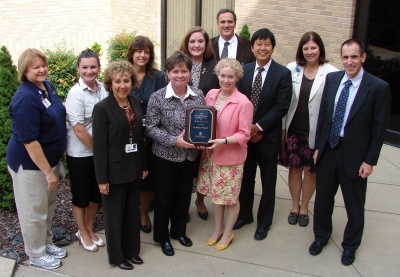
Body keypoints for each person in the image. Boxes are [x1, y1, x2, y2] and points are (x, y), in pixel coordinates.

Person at [309, 39, 391, 266]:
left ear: (363, 57)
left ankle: (350, 246)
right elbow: (325, 116)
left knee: (354, 205)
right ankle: (321, 237)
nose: (349, 61)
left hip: (356, 156)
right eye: (345, 57)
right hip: (329, 150)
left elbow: (379, 128)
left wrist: (370, 160)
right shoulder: (332, 79)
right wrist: (318, 147)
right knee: (323, 200)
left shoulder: (377, 88)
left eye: (354, 57)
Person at [6, 48, 67, 270]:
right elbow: (30, 142)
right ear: (25, 70)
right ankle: (35, 253)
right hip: (31, 165)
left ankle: (46, 242)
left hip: (49, 160)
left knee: (48, 205)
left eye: (43, 65)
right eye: (36, 67)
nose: (42, 70)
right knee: (34, 211)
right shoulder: (24, 99)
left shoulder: (45, 87)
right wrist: (48, 172)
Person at [234, 28, 292, 241]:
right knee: (246, 179)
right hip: (246, 138)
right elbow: (238, 100)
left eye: (267, 44)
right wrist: (248, 129)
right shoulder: (244, 70)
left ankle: (264, 222)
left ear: (272, 47)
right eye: (258, 44)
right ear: (252, 47)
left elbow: (281, 107)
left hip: (268, 137)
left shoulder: (283, 74)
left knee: (268, 183)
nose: (262, 48)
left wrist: (258, 127)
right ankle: (245, 215)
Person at [146, 51, 205, 256]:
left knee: (183, 197)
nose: (180, 75)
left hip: (190, 157)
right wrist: (174, 141)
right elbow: (151, 128)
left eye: (184, 71)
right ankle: (162, 237)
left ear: (190, 72)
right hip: (164, 157)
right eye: (175, 71)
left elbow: (203, 123)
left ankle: (179, 232)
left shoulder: (198, 95)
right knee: (164, 199)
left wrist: (202, 140)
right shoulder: (157, 97)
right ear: (168, 72)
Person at [92, 61, 148, 270]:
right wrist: (102, 179)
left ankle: (132, 251)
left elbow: (139, 136)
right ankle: (117, 256)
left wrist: (142, 164)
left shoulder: (134, 101)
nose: (122, 85)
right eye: (117, 81)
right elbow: (99, 147)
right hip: (113, 171)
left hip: (133, 167)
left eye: (126, 80)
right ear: (110, 83)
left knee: (132, 212)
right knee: (114, 217)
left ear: (132, 82)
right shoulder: (102, 109)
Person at [279, 32, 338, 227]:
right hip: (294, 129)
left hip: (316, 133)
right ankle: (294, 206)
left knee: (310, 171)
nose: (309, 52)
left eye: (313, 48)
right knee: (295, 169)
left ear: (320, 48)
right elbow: (286, 102)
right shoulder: (291, 68)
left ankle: (305, 207)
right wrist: (283, 130)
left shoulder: (331, 72)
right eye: (306, 48)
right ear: (301, 50)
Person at [196, 58, 253, 251]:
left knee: (230, 198)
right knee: (216, 196)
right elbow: (202, 120)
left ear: (237, 77)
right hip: (210, 156)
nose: (226, 80)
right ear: (217, 75)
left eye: (231, 76)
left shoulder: (243, 103)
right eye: (223, 75)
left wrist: (224, 140)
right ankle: (218, 228)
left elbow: (245, 134)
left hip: (230, 157)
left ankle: (228, 232)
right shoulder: (211, 94)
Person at [65, 49, 108, 252]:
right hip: (81, 154)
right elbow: (79, 129)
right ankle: (81, 231)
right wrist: (99, 152)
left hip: (99, 152)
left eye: (93, 66)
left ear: (99, 67)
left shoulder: (103, 89)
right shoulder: (75, 94)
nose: (89, 71)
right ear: (78, 69)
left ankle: (90, 228)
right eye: (85, 67)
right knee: (81, 196)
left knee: (95, 194)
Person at [180, 26, 220, 220]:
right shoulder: (179, 62)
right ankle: (183, 204)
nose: (196, 45)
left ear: (206, 44)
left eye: (200, 41)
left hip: (205, 126)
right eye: (192, 41)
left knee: (202, 167)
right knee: (185, 167)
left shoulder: (215, 65)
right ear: (187, 43)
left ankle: (200, 200)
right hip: (180, 123)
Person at [127, 36, 166, 233]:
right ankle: (130, 211)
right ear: (131, 53)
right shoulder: (123, 73)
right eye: (138, 51)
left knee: (147, 178)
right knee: (129, 175)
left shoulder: (157, 77)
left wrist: (149, 135)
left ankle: (143, 214)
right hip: (127, 134)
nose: (142, 55)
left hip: (150, 135)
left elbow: (161, 106)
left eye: (146, 52)